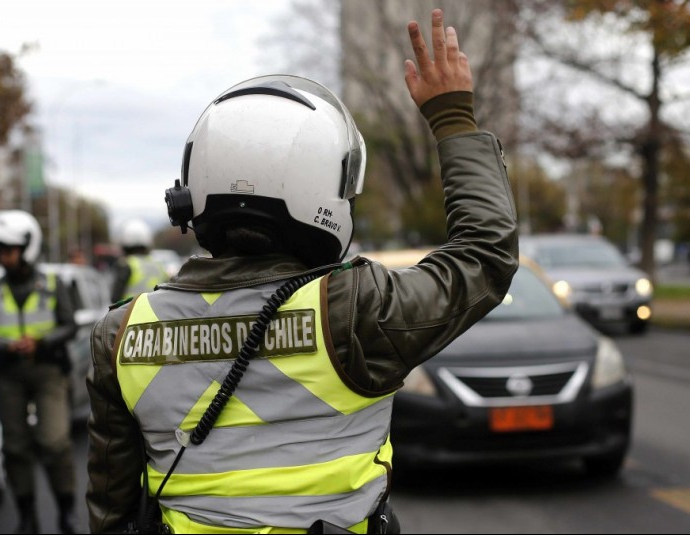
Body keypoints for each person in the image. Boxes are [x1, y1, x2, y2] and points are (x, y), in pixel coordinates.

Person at [87, 8, 518, 535]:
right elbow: (486, 253)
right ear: (324, 190)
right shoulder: (358, 311)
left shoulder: (120, 336)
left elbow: (112, 511)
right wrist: (451, 117)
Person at [0, 209, 79, 534]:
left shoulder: (51, 282)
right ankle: (26, 517)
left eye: (8, 249)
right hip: (8, 374)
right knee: (15, 447)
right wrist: (5, 346)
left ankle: (66, 513)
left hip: (48, 370)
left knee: (54, 441)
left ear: (27, 247)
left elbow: (70, 325)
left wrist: (41, 342)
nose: (2, 257)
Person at [109, 218, 172, 302]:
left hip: (131, 314)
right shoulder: (158, 266)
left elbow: (115, 298)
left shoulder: (125, 265)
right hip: (157, 314)